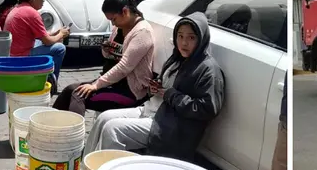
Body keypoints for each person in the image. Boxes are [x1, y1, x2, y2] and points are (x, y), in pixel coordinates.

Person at [84, 13, 224, 162]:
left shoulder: (208, 70)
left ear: (201, 39)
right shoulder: (177, 59)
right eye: (180, 36)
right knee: (103, 118)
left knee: (112, 129)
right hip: (151, 110)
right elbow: (165, 86)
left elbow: (206, 109)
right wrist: (155, 87)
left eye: (191, 38)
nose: (184, 43)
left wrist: (170, 95)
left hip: (168, 123)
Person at [53, 0, 155, 116]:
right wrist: (107, 50)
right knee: (69, 90)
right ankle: (51, 125)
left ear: (125, 12)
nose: (113, 24)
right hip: (114, 82)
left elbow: (124, 67)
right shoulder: (119, 28)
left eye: (113, 19)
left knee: (78, 95)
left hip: (131, 91)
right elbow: (111, 57)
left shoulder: (142, 32)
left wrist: (96, 85)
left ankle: (74, 134)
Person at [4, 0, 70, 93]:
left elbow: (42, 37)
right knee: (60, 48)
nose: (43, 0)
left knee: (44, 43)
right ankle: (52, 81)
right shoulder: (32, 13)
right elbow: (48, 41)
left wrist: (57, 33)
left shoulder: (19, 8)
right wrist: (61, 34)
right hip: (20, 56)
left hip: (13, 51)